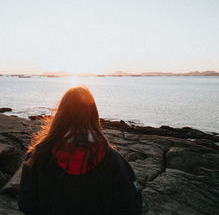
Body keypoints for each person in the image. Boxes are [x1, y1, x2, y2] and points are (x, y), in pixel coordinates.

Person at [18, 85, 142, 215]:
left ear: (61, 114)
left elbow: (26, 203)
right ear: (93, 114)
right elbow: (129, 206)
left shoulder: (38, 155)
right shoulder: (112, 160)